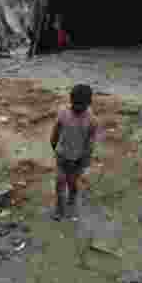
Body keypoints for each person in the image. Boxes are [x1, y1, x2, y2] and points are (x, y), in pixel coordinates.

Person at [50, 84, 100, 220]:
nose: (77, 107)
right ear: (70, 100)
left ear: (88, 103)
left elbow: (90, 144)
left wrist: (85, 161)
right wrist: (55, 147)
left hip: (77, 160)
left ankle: (72, 198)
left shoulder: (92, 121)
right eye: (74, 103)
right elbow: (56, 131)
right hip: (61, 156)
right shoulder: (63, 112)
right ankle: (59, 208)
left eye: (80, 105)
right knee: (60, 182)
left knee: (72, 182)